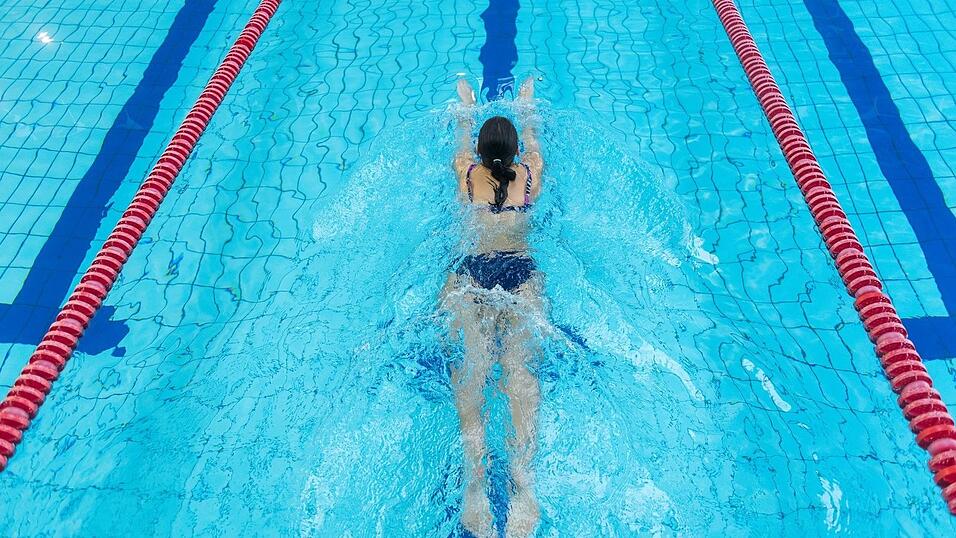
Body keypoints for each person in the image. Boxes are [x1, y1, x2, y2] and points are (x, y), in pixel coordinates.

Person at [440, 77, 544, 538]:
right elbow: (535, 137)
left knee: (473, 370)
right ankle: (524, 487)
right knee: (518, 371)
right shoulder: (529, 177)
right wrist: (525, 104)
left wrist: (466, 104)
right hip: (519, 277)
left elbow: (460, 135)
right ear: (515, 152)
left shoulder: (466, 175)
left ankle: (475, 487)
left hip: (472, 274)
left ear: (481, 156)